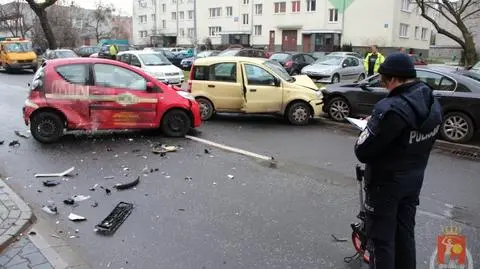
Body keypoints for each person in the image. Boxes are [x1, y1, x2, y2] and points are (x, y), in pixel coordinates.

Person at [354, 52, 442, 269]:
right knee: (405, 236)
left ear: (393, 79)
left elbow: (362, 150)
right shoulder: (431, 101)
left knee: (382, 242)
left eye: (384, 81)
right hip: (413, 179)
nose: (384, 87)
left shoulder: (392, 108)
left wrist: (372, 126)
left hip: (385, 185)